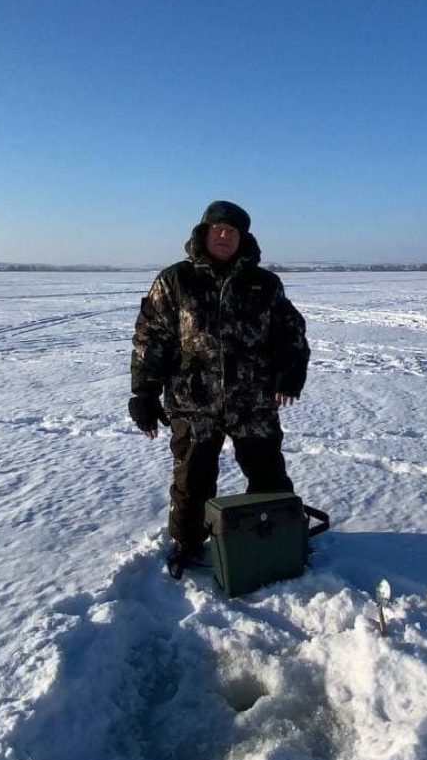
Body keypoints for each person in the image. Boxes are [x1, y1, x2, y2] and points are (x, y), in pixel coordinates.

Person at [129, 200, 310, 577]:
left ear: (243, 238)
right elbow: (151, 337)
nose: (225, 236)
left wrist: (290, 374)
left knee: (268, 477)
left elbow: (290, 331)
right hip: (193, 402)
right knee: (192, 481)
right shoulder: (175, 280)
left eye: (233, 231)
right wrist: (144, 392)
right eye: (218, 229)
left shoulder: (264, 283)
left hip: (253, 402)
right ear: (204, 232)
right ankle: (187, 544)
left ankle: (276, 536)